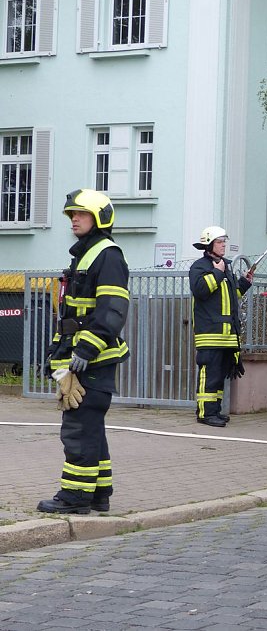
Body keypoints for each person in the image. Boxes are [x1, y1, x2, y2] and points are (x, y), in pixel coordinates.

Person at [37, 189, 130, 514]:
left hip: (93, 359)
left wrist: (86, 351)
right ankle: (99, 492)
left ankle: (75, 496)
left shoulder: (107, 255)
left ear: (100, 218)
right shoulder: (85, 255)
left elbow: (112, 310)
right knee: (91, 427)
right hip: (81, 358)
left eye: (81, 214)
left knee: (78, 429)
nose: (74, 219)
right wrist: (55, 356)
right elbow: (71, 316)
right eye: (72, 214)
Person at [189, 226, 253, 427]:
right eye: (219, 241)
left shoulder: (226, 267)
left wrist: (244, 283)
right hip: (210, 333)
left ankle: (215, 410)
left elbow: (232, 298)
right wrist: (217, 273)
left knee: (218, 377)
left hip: (227, 336)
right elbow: (200, 290)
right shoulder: (200, 267)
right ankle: (205, 413)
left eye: (224, 241)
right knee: (209, 375)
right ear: (209, 245)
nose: (223, 245)